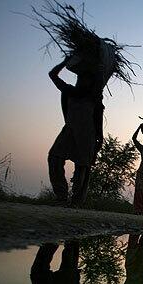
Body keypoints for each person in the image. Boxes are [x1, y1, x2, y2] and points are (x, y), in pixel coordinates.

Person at [47, 56, 104, 206]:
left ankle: (76, 201)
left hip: (88, 135)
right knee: (54, 158)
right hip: (70, 130)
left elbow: (98, 119)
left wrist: (100, 139)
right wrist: (65, 61)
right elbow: (52, 74)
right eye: (81, 78)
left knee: (83, 166)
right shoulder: (69, 90)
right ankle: (61, 196)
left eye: (86, 79)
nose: (83, 81)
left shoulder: (94, 97)